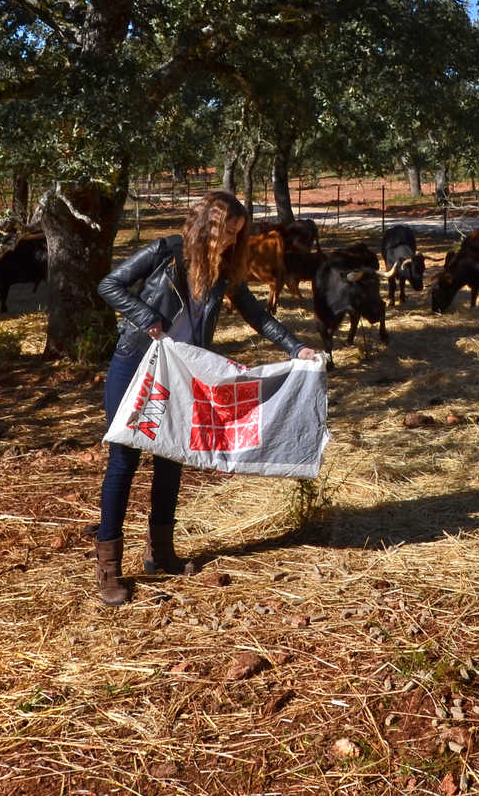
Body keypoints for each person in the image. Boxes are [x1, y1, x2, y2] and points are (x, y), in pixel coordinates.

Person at [91, 191, 318, 605]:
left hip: (183, 374)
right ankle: (108, 568)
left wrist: (295, 348)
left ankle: (160, 554)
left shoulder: (225, 269)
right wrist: (147, 318)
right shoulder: (166, 252)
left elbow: (256, 313)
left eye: (238, 235)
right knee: (124, 461)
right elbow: (110, 284)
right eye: (227, 233)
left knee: (172, 459)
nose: (232, 242)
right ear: (208, 227)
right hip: (138, 366)